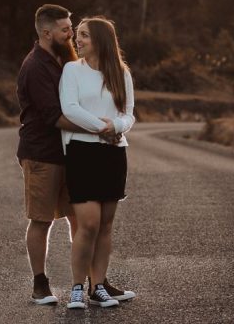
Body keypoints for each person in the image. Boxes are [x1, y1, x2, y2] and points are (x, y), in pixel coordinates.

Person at [16, 4, 116, 305]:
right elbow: (55, 117)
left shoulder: (66, 59)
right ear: (47, 33)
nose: (71, 33)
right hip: (42, 154)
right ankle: (40, 284)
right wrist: (100, 129)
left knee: (80, 219)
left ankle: (95, 283)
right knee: (42, 219)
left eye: (71, 28)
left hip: (71, 152)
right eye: (65, 29)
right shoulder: (35, 66)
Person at [58, 16, 137, 309]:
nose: (77, 40)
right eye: (77, 35)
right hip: (82, 151)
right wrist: (101, 127)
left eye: (84, 36)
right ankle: (77, 287)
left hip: (114, 153)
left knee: (105, 224)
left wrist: (116, 127)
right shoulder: (72, 70)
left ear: (101, 40)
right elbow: (70, 108)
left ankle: (98, 286)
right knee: (88, 224)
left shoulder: (121, 72)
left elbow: (129, 114)